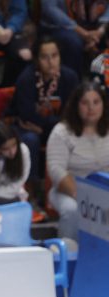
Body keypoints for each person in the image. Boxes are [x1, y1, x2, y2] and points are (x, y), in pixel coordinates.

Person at [47, 81, 109, 244]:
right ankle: (68, 253)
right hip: (69, 191)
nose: (91, 108)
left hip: (105, 189)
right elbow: (56, 169)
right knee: (72, 210)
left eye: (96, 102)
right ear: (76, 105)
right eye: (85, 103)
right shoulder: (62, 132)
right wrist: (81, 196)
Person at [12, 37, 79, 187]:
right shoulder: (26, 79)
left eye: (54, 56)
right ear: (36, 59)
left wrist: (45, 127)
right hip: (26, 129)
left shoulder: (70, 77)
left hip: (53, 128)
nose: (51, 62)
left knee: (72, 135)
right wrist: (55, 123)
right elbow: (27, 116)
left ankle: (69, 183)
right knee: (30, 139)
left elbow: (72, 114)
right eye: (44, 57)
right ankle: (32, 188)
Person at [40, 0, 109, 78]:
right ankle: (74, 81)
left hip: (95, 23)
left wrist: (100, 31)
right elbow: (50, 9)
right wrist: (82, 32)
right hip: (60, 26)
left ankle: (102, 79)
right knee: (73, 41)